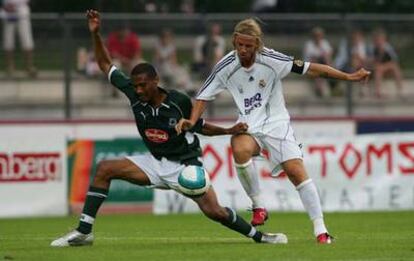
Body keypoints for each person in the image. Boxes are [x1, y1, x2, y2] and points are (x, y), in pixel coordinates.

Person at [50, 10, 288, 247]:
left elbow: (199, 126)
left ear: (155, 82)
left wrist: (229, 131)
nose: (139, 90)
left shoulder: (178, 101)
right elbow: (105, 64)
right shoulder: (133, 94)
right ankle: (84, 232)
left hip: (185, 166)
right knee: (104, 169)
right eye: (136, 86)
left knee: (215, 211)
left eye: (143, 86)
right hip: (154, 163)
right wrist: (96, 33)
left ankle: (261, 237)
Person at [176, 18, 370, 244]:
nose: (243, 50)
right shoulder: (225, 66)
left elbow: (312, 69)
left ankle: (321, 231)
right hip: (249, 125)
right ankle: (259, 206)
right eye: (239, 45)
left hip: (277, 124)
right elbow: (202, 96)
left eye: (248, 46)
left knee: (296, 173)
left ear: (257, 44)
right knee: (239, 148)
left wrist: (348, 77)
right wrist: (192, 120)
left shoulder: (271, 59)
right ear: (234, 42)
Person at [1, 0, 36, 77]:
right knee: (8, 40)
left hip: (22, 8)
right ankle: (10, 67)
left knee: (27, 38)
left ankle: (29, 67)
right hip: (8, 9)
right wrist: (4, 5)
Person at [371, 29, 403, 98]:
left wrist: (385, 65)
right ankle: (378, 92)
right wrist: (380, 53)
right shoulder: (374, 48)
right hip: (378, 68)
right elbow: (375, 62)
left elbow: (394, 60)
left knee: (395, 68)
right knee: (378, 70)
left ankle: (400, 90)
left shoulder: (388, 48)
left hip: (388, 67)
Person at [303, 27, 333, 97]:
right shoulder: (309, 44)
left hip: (322, 65)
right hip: (311, 66)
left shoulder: (324, 43)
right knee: (317, 62)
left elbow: (328, 55)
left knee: (325, 59)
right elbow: (311, 58)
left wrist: (321, 49)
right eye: (316, 35)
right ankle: (320, 87)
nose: (318, 37)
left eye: (319, 35)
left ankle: (320, 86)